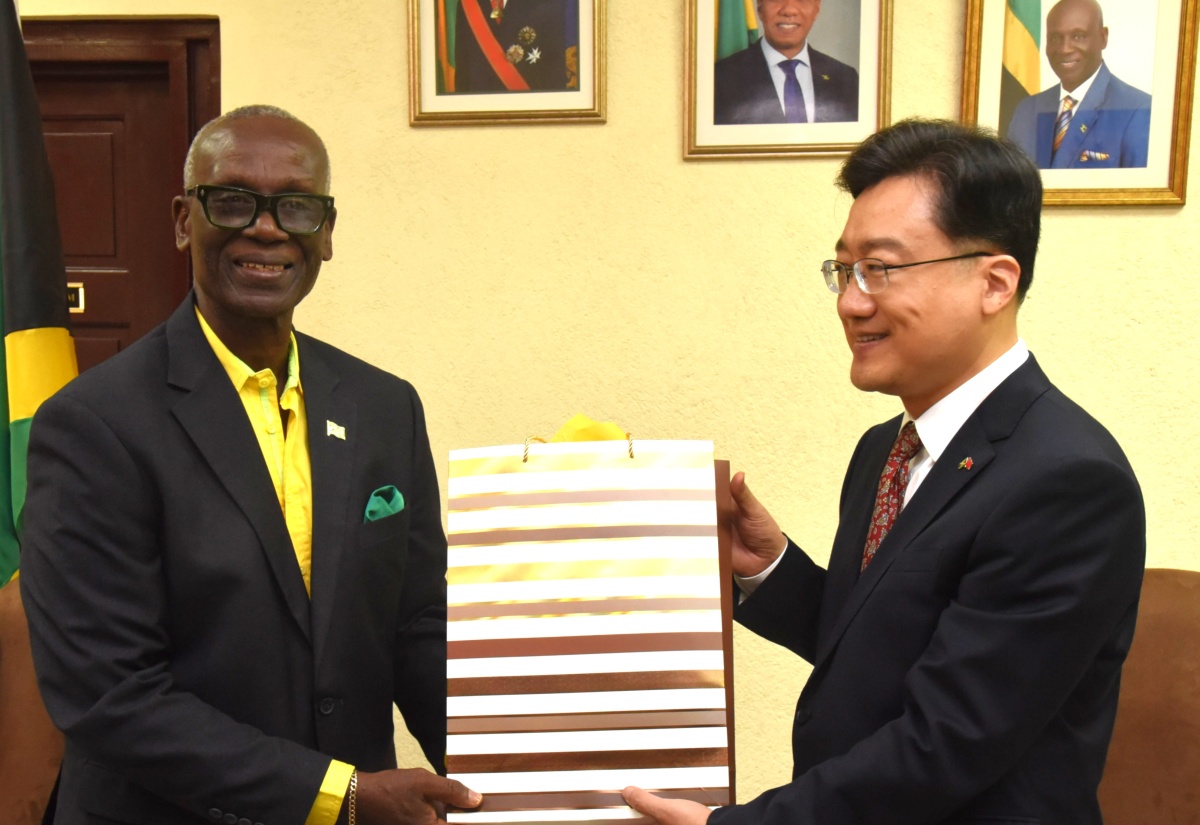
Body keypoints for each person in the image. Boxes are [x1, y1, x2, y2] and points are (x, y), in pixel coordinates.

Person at [624, 119, 1146, 824]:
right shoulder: (885, 450)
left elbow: (947, 740)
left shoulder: (1068, 481)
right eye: (845, 269)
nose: (851, 301)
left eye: (883, 268)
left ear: (994, 282)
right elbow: (879, 652)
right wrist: (769, 568)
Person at [20, 105, 480, 825]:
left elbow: (417, 625)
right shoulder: (91, 426)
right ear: (182, 220)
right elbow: (110, 695)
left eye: (295, 206)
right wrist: (340, 795)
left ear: (326, 232)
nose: (266, 228)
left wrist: (528, 778)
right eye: (232, 200)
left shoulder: (385, 406)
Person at [1006, 0, 1150, 168]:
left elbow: (1141, 192)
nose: (1064, 49)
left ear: (1103, 38)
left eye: (1078, 36)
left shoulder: (1138, 110)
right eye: (1055, 38)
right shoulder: (1027, 110)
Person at [713, 0, 858, 125]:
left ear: (817, 8)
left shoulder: (846, 79)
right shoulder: (720, 78)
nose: (789, 10)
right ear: (760, 7)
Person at [452, 0, 579, 92]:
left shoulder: (553, 3)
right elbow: (464, 75)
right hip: (482, 115)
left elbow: (555, 75)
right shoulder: (468, 4)